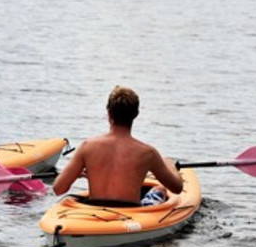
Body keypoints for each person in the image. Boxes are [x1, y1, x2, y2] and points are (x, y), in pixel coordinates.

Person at [53, 86, 183, 206]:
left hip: (94, 213)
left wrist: (76, 174)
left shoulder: (87, 147)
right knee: (160, 189)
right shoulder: (148, 153)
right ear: (136, 114)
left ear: (109, 113)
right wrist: (170, 165)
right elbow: (177, 188)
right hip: (131, 215)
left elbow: (58, 189)